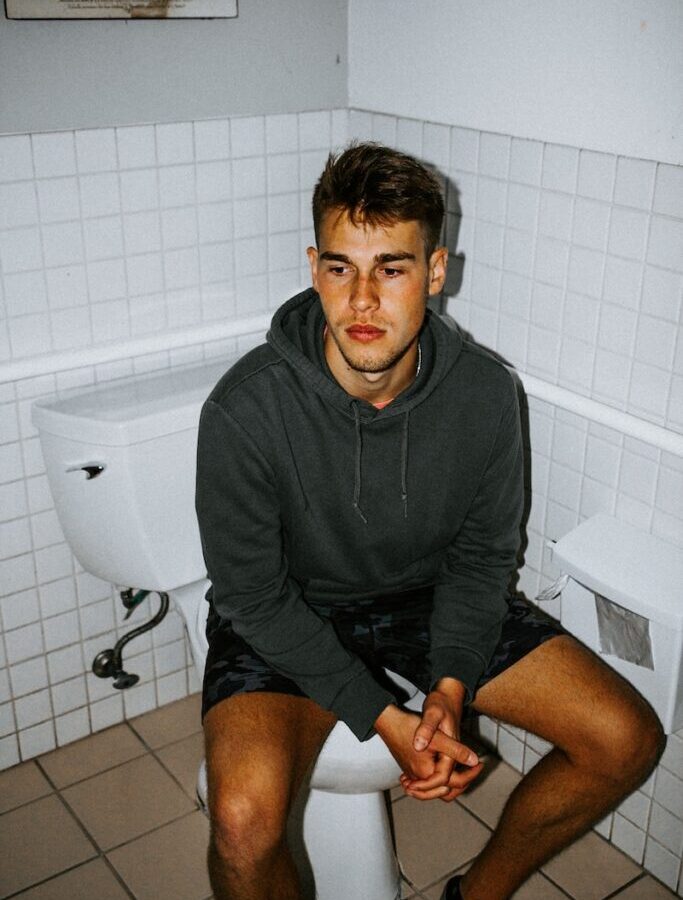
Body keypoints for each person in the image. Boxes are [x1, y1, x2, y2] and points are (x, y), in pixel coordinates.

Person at [195, 142, 664, 900]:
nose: (362, 301)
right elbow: (251, 595)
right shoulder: (245, 408)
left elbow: (481, 561)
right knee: (243, 825)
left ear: (436, 272)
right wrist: (384, 717)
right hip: (291, 611)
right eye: (341, 268)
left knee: (625, 738)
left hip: (423, 598)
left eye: (392, 269)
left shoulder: (484, 394)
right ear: (314, 268)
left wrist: (449, 686)